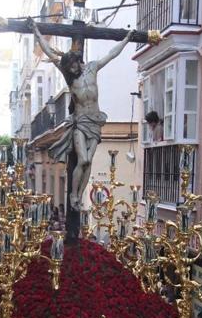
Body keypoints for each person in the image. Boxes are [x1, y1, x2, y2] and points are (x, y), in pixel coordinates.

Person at [28, 16, 135, 211]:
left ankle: (79, 196)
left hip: (95, 121)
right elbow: (49, 51)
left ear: (78, 61)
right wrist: (36, 32)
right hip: (80, 122)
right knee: (83, 159)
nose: (71, 69)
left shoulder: (92, 68)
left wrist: (127, 39)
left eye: (73, 66)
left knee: (89, 162)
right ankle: (73, 194)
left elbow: (111, 54)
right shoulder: (69, 77)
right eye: (68, 68)